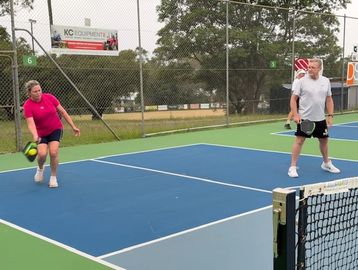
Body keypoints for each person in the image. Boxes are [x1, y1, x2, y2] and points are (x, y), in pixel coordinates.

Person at [288, 59, 340, 178]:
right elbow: (293, 99)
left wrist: (330, 116)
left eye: (313, 67)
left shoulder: (326, 81)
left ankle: (326, 163)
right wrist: (295, 115)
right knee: (299, 141)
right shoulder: (301, 81)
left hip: (320, 119)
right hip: (306, 119)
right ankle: (292, 167)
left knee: (324, 141)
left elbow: (329, 99)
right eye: (309, 67)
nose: (309, 69)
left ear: (319, 69)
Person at [23, 80, 80, 188]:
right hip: (41, 133)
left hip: (55, 129)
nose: (38, 93)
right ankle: (40, 168)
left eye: (39, 90)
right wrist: (35, 135)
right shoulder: (28, 105)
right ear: (29, 93)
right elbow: (30, 123)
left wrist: (73, 126)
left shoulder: (50, 97)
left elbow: (63, 112)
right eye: (35, 91)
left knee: (53, 153)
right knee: (42, 155)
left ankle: (53, 177)